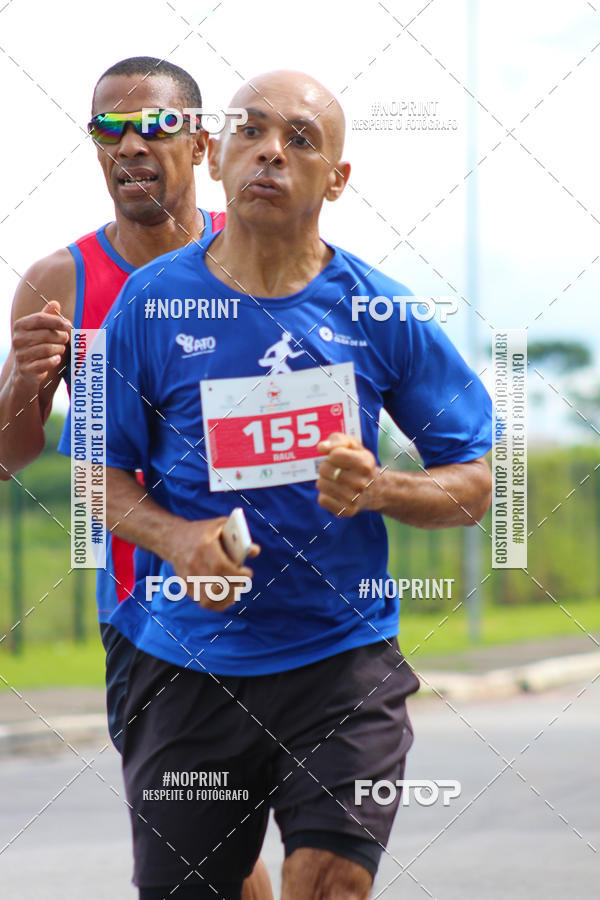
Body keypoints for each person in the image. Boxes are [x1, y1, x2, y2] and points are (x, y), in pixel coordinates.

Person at [83, 69, 493, 900]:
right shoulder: (148, 305)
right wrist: (177, 539)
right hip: (187, 663)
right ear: (220, 154)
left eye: (299, 140)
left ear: (336, 179)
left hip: (341, 661)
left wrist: (382, 488)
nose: (271, 151)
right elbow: (96, 471)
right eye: (252, 132)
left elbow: (477, 481)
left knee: (331, 881)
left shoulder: (382, 313)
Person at [0, 56, 272, 900]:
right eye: (107, 130)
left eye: (151, 126)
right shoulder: (59, 282)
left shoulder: (264, 248)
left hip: (278, 592)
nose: (129, 146)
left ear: (199, 141)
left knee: (310, 850)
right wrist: (20, 383)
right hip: (147, 614)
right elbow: (14, 454)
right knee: (203, 852)